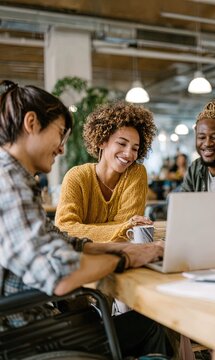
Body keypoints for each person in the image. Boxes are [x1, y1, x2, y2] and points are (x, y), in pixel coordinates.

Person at [0, 80, 172, 357]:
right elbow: (60, 275)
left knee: (126, 321)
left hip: (32, 319)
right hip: (24, 334)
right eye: (59, 134)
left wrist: (120, 246)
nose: (62, 149)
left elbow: (59, 237)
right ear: (31, 123)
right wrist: (125, 259)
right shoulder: (9, 183)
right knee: (149, 325)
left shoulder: (14, 178)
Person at [55, 101, 156, 242]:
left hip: (123, 254)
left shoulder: (136, 173)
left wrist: (84, 228)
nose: (129, 154)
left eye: (135, 148)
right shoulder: (77, 177)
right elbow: (65, 228)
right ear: (102, 141)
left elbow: (126, 235)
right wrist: (122, 227)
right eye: (122, 143)